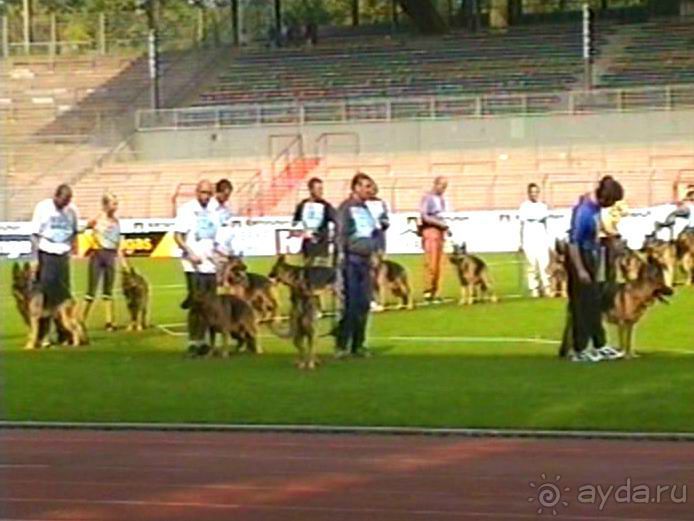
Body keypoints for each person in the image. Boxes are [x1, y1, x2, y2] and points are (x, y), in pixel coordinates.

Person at [564, 176, 625, 363]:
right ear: (605, 198)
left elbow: (597, 232)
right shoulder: (583, 212)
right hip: (579, 257)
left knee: (594, 304)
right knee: (581, 305)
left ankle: (600, 344)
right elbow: (573, 243)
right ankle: (580, 348)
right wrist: (581, 269)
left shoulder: (595, 207)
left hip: (592, 254)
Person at [335, 173, 380, 358]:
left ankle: (359, 344)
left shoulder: (366, 209)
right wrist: (340, 256)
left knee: (363, 304)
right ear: (356, 187)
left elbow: (372, 233)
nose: (370, 190)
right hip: (351, 261)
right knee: (351, 305)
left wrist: (375, 252)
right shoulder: (346, 208)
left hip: (365, 261)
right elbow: (341, 234)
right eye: (366, 186)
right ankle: (342, 345)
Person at [30, 184, 80, 347]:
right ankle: (43, 336)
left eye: (69, 200)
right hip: (46, 253)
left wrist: (72, 249)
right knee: (46, 297)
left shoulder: (71, 210)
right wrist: (35, 258)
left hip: (62, 255)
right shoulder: (43, 208)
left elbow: (74, 232)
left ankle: (64, 334)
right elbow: (35, 234)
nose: (66, 203)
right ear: (56, 196)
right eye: (64, 199)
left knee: (64, 298)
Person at [174, 180, 221, 354]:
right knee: (196, 304)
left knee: (211, 305)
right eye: (203, 192)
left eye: (209, 193)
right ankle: (194, 341)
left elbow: (215, 239)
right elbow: (178, 236)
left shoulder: (214, 212)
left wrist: (219, 257)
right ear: (196, 192)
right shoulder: (187, 210)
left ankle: (207, 342)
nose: (206, 196)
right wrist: (190, 252)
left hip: (210, 265)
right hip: (192, 265)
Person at [82, 193, 124, 331]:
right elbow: (83, 230)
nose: (116, 206)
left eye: (116, 203)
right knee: (91, 290)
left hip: (110, 256)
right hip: (98, 255)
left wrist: (123, 262)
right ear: (105, 205)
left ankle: (109, 322)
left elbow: (118, 243)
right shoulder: (97, 219)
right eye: (113, 203)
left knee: (108, 290)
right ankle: (80, 320)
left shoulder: (117, 222)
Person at [292, 177, 336, 266]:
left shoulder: (326, 206)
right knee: (308, 275)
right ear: (311, 190)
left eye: (322, 189)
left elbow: (337, 219)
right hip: (308, 246)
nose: (321, 191)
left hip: (321, 246)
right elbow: (295, 224)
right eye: (318, 189)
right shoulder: (302, 205)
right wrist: (301, 232)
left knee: (321, 274)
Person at [420, 176, 449, 302]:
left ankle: (435, 291)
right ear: (436, 184)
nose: (443, 189)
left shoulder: (441, 199)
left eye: (445, 187)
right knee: (431, 261)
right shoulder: (428, 198)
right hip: (431, 230)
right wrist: (439, 223)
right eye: (442, 186)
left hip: (440, 231)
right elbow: (424, 215)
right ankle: (428, 290)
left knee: (439, 262)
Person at [518, 183, 551, 298]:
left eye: (536, 192)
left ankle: (546, 286)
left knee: (544, 262)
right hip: (529, 235)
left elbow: (546, 223)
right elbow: (521, 224)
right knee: (531, 263)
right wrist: (520, 242)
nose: (534, 195)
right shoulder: (524, 207)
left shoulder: (543, 206)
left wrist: (548, 238)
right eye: (532, 192)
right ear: (528, 193)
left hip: (540, 235)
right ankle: (534, 288)